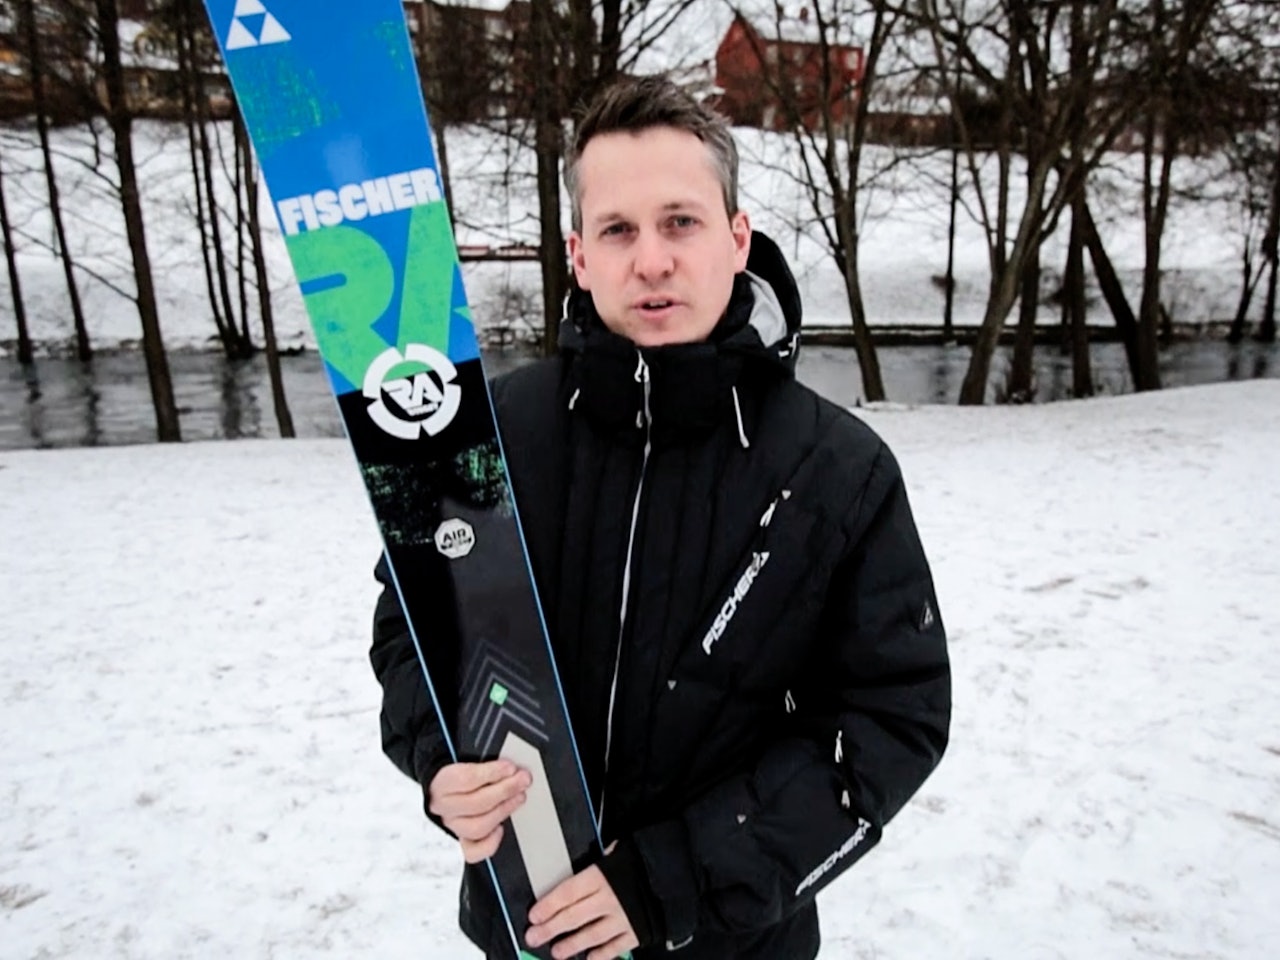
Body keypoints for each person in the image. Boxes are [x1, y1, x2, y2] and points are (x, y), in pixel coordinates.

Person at [370, 75, 951, 960]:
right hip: (529, 929)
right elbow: (412, 626)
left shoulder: (838, 471)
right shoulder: (490, 441)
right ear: (578, 255)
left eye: (680, 221)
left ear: (735, 237)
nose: (651, 261)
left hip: (733, 942)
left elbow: (889, 720)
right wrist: (438, 757)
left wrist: (670, 879)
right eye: (618, 230)